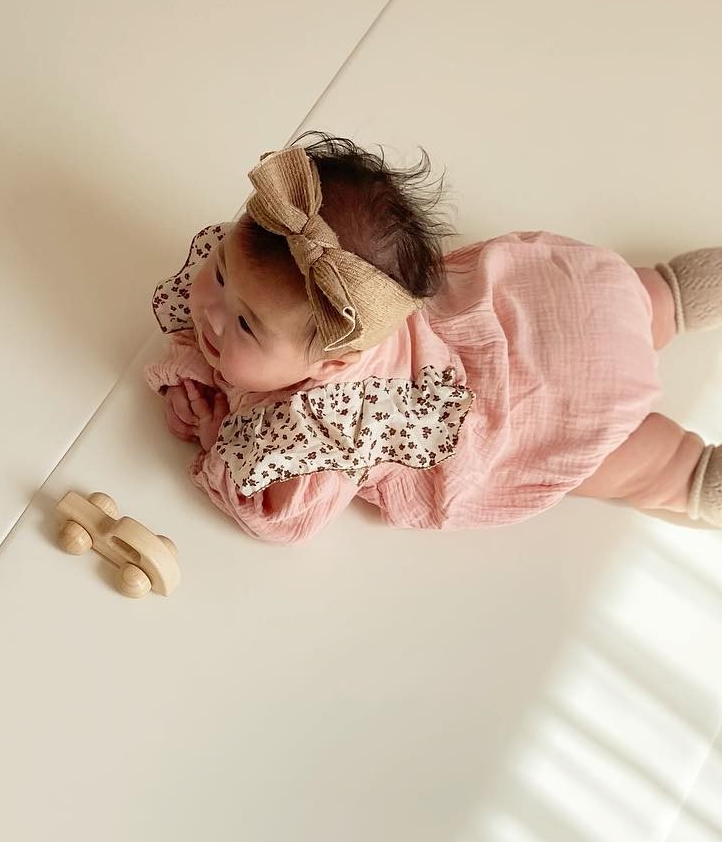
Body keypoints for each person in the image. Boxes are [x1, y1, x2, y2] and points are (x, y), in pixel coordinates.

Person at [147, 132, 722, 546]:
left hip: (545, 402)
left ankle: (695, 474)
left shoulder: (326, 428)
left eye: (245, 324)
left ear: (333, 364)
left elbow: (283, 516)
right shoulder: (288, 277)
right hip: (553, 300)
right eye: (220, 271)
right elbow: (208, 337)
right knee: (649, 298)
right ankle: (679, 291)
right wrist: (193, 372)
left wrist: (217, 433)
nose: (210, 313)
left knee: (658, 464)